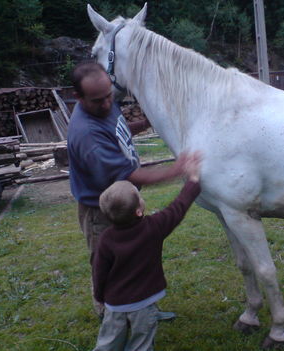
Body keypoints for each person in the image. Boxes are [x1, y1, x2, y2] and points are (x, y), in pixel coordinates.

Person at [67, 62, 193, 317]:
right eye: (97, 101)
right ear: (78, 97)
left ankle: (142, 310)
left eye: (108, 96)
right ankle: (111, 320)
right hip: (101, 209)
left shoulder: (103, 104)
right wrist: (175, 170)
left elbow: (117, 128)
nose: (106, 104)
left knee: (136, 258)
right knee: (108, 265)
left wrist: (145, 123)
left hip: (122, 198)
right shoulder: (87, 135)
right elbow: (128, 175)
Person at [91, 154, 201, 351]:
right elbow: (179, 207)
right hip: (144, 304)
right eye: (139, 196)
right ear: (139, 211)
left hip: (115, 305)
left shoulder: (106, 239)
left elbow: (99, 272)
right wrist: (193, 180)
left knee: (108, 342)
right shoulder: (153, 228)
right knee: (141, 344)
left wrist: (100, 296)